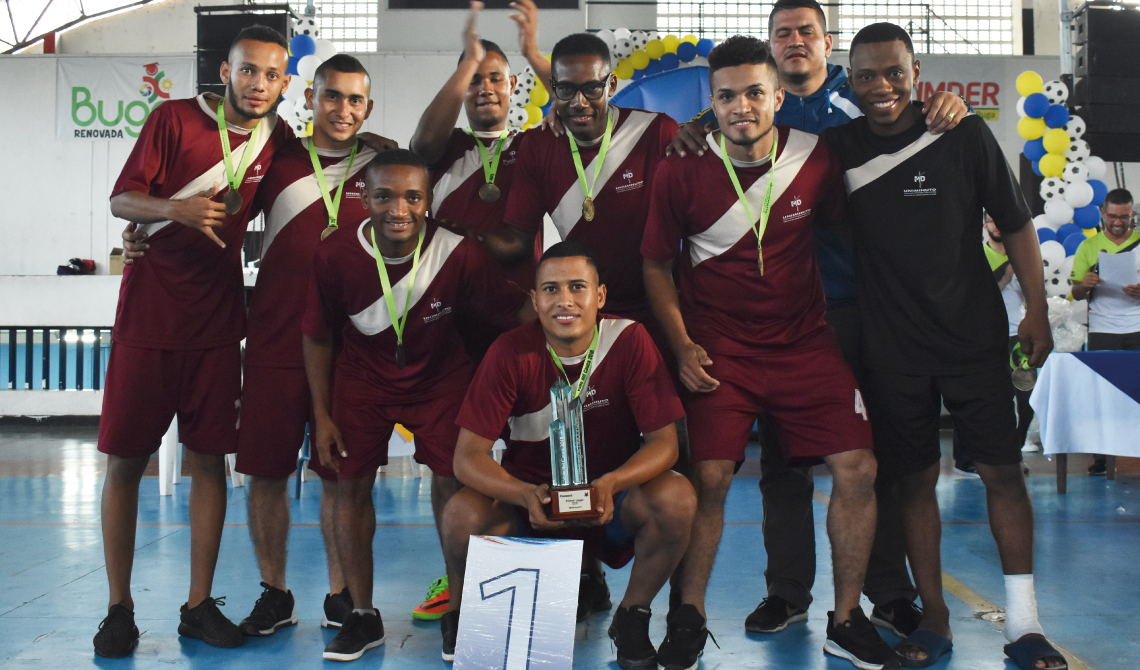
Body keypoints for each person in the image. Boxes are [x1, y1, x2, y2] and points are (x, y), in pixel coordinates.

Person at [667, 0, 969, 638]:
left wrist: (949, 106)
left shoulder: (863, 99)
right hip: (786, 317)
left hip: (866, 307)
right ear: (771, 51)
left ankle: (887, 592)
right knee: (782, 465)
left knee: (867, 454)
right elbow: (731, 118)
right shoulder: (750, 108)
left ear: (827, 42)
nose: (796, 41)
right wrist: (695, 123)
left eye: (807, 31)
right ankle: (788, 593)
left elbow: (914, 118)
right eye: (784, 33)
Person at [642, 35, 888, 670]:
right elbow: (654, 265)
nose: (742, 107)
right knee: (710, 480)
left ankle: (846, 618)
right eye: (726, 96)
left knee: (858, 467)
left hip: (805, 344)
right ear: (711, 104)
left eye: (756, 92)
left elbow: (842, 233)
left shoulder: (815, 157)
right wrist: (683, 344)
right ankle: (688, 619)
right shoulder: (680, 164)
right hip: (718, 352)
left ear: (780, 95)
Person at [822, 23, 1064, 670]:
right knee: (914, 481)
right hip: (891, 348)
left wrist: (1036, 312)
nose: (881, 86)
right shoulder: (837, 149)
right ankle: (934, 617)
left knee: (1001, 473)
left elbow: (1015, 226)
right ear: (849, 77)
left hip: (973, 337)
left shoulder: (961, 133)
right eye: (866, 75)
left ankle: (1025, 624)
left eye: (894, 72)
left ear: (916, 70)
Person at [94, 25, 294, 658]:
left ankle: (198, 604)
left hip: (215, 324)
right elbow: (123, 199)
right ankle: (118, 608)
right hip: (148, 321)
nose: (258, 83)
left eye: (271, 74)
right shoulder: (172, 119)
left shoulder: (277, 137)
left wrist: (373, 145)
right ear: (225, 74)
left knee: (210, 462)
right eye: (248, 71)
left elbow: (326, 163)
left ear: (284, 83)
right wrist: (173, 210)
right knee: (126, 464)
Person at [302, 149, 532, 662]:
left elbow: (513, 315)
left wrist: (565, 316)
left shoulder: (459, 252)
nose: (398, 209)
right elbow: (317, 339)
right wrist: (321, 414)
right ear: (364, 198)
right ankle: (363, 614)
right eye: (384, 195)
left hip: (440, 377)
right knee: (348, 485)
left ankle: (458, 607)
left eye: (412, 196)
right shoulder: (335, 254)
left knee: (455, 480)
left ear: (430, 201)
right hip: (362, 380)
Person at [440, 241, 696, 669]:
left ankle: (632, 616)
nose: (565, 301)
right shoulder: (509, 351)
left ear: (599, 296)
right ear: (535, 299)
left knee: (678, 497)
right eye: (551, 289)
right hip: (533, 507)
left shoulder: (629, 339)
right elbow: (467, 458)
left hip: (610, 505)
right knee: (460, 515)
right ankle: (469, 613)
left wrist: (613, 483)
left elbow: (664, 444)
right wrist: (523, 494)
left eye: (578, 287)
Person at [495, 30, 681, 621]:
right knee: (569, 443)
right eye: (564, 89)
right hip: (578, 316)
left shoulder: (658, 134)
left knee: (660, 462)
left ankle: (662, 611)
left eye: (591, 88)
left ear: (612, 85)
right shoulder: (537, 147)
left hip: (652, 315)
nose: (578, 102)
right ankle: (579, 572)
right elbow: (517, 240)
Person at [232, 54, 380, 637]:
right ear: (310, 100)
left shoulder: (383, 165)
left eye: (354, 100)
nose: (342, 109)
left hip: (348, 347)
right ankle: (275, 591)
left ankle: (341, 594)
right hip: (274, 338)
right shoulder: (275, 158)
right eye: (332, 97)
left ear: (368, 108)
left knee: (338, 473)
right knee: (265, 471)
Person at [410, 0, 549, 293]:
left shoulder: (531, 145)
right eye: (474, 80)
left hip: (519, 298)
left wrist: (532, 53)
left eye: (495, 79)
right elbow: (421, 146)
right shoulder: (448, 145)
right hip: (448, 294)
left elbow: (576, 106)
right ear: (462, 89)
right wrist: (469, 60)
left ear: (511, 85)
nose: (485, 88)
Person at [955, 212, 1035, 476]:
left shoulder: (1021, 255)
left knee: (1026, 399)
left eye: (1000, 218)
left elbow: (1033, 297)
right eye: (992, 219)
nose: (997, 224)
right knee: (979, 399)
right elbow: (977, 295)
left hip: (1016, 338)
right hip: (983, 338)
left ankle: (1015, 451)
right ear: (985, 224)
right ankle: (967, 459)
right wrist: (1007, 274)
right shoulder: (975, 256)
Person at [1070, 188, 1140, 475]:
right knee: (1103, 392)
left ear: (1132, 214)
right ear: (1102, 213)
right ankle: (1100, 457)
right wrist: (1085, 283)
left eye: (1124, 217)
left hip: (1137, 326)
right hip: (1102, 329)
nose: (1118, 222)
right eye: (1112, 216)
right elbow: (1074, 293)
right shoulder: (1089, 247)